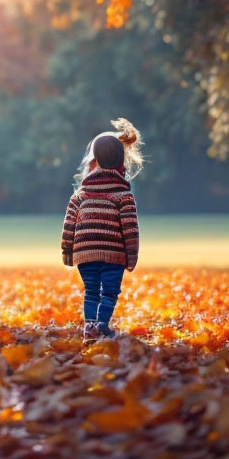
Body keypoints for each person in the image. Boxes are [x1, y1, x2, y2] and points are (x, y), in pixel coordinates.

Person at [61, 118, 143, 341]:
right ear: (120, 164)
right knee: (109, 291)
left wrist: (68, 253)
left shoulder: (80, 195)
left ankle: (90, 327)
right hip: (114, 255)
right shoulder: (123, 196)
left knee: (91, 291)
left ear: (94, 162)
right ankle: (103, 324)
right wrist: (131, 257)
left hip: (85, 253)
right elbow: (130, 230)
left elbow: (69, 227)